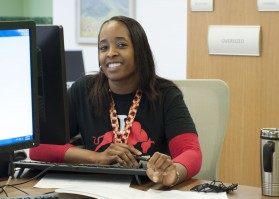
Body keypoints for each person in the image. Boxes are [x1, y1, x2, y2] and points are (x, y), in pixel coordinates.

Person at [30, 16, 202, 187]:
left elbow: (191, 152)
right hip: (96, 189)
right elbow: (39, 147)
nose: (111, 53)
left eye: (121, 45)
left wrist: (174, 172)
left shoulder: (166, 94)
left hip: (147, 189)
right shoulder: (83, 90)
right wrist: (97, 158)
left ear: (139, 51)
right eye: (103, 47)